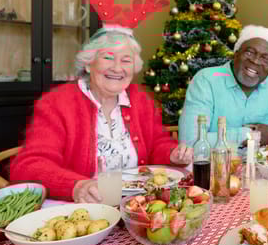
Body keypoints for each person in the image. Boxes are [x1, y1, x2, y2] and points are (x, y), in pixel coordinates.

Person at [11, 26, 192, 202]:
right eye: (108, 57)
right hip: (83, 210)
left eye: (126, 60)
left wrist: (171, 153)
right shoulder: (57, 103)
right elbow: (29, 166)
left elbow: (157, 143)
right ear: (89, 64)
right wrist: (75, 186)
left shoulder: (141, 99)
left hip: (138, 204)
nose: (117, 68)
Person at [178, 25, 268, 147]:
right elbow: (191, 141)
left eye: (265, 58)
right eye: (250, 52)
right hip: (214, 164)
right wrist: (247, 135)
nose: (255, 61)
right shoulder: (206, 80)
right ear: (236, 54)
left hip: (259, 164)